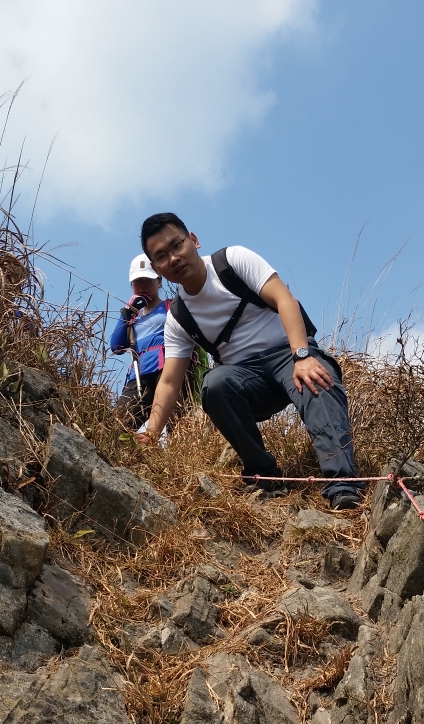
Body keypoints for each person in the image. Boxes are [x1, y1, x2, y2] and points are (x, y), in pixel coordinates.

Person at [133, 213, 363, 508]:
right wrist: (152, 432)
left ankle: (343, 485)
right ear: (156, 269)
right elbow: (169, 380)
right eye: (161, 256)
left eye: (177, 245)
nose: (174, 257)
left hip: (288, 354)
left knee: (316, 379)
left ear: (193, 240)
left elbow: (284, 299)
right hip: (247, 381)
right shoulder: (178, 317)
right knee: (213, 384)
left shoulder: (232, 261)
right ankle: (263, 475)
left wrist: (302, 356)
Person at [109, 254, 168, 428]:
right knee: (118, 424)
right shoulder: (131, 317)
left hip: (168, 368)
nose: (142, 286)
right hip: (139, 374)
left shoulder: (171, 307)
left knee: (175, 420)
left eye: (147, 280)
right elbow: (116, 346)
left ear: (159, 281)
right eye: (137, 281)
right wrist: (127, 313)